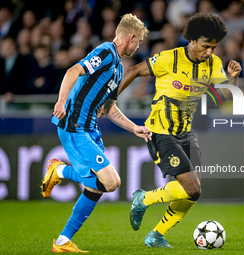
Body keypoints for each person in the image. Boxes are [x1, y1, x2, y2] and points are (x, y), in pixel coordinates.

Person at [118, 13, 242, 247]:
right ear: (192, 40)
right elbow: (133, 70)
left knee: (194, 192)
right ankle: (143, 199)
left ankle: (156, 235)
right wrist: (111, 100)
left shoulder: (213, 64)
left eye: (214, 48)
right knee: (191, 186)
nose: (210, 52)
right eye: (206, 46)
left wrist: (232, 79)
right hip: (160, 131)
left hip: (186, 132)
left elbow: (226, 96)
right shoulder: (169, 59)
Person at [40, 14, 150, 253]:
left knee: (98, 186)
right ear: (130, 37)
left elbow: (109, 108)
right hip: (74, 127)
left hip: (90, 129)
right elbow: (72, 71)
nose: (138, 46)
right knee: (112, 181)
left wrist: (135, 128)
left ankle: (62, 241)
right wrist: (61, 102)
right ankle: (59, 169)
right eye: (138, 41)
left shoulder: (119, 69)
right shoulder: (106, 52)